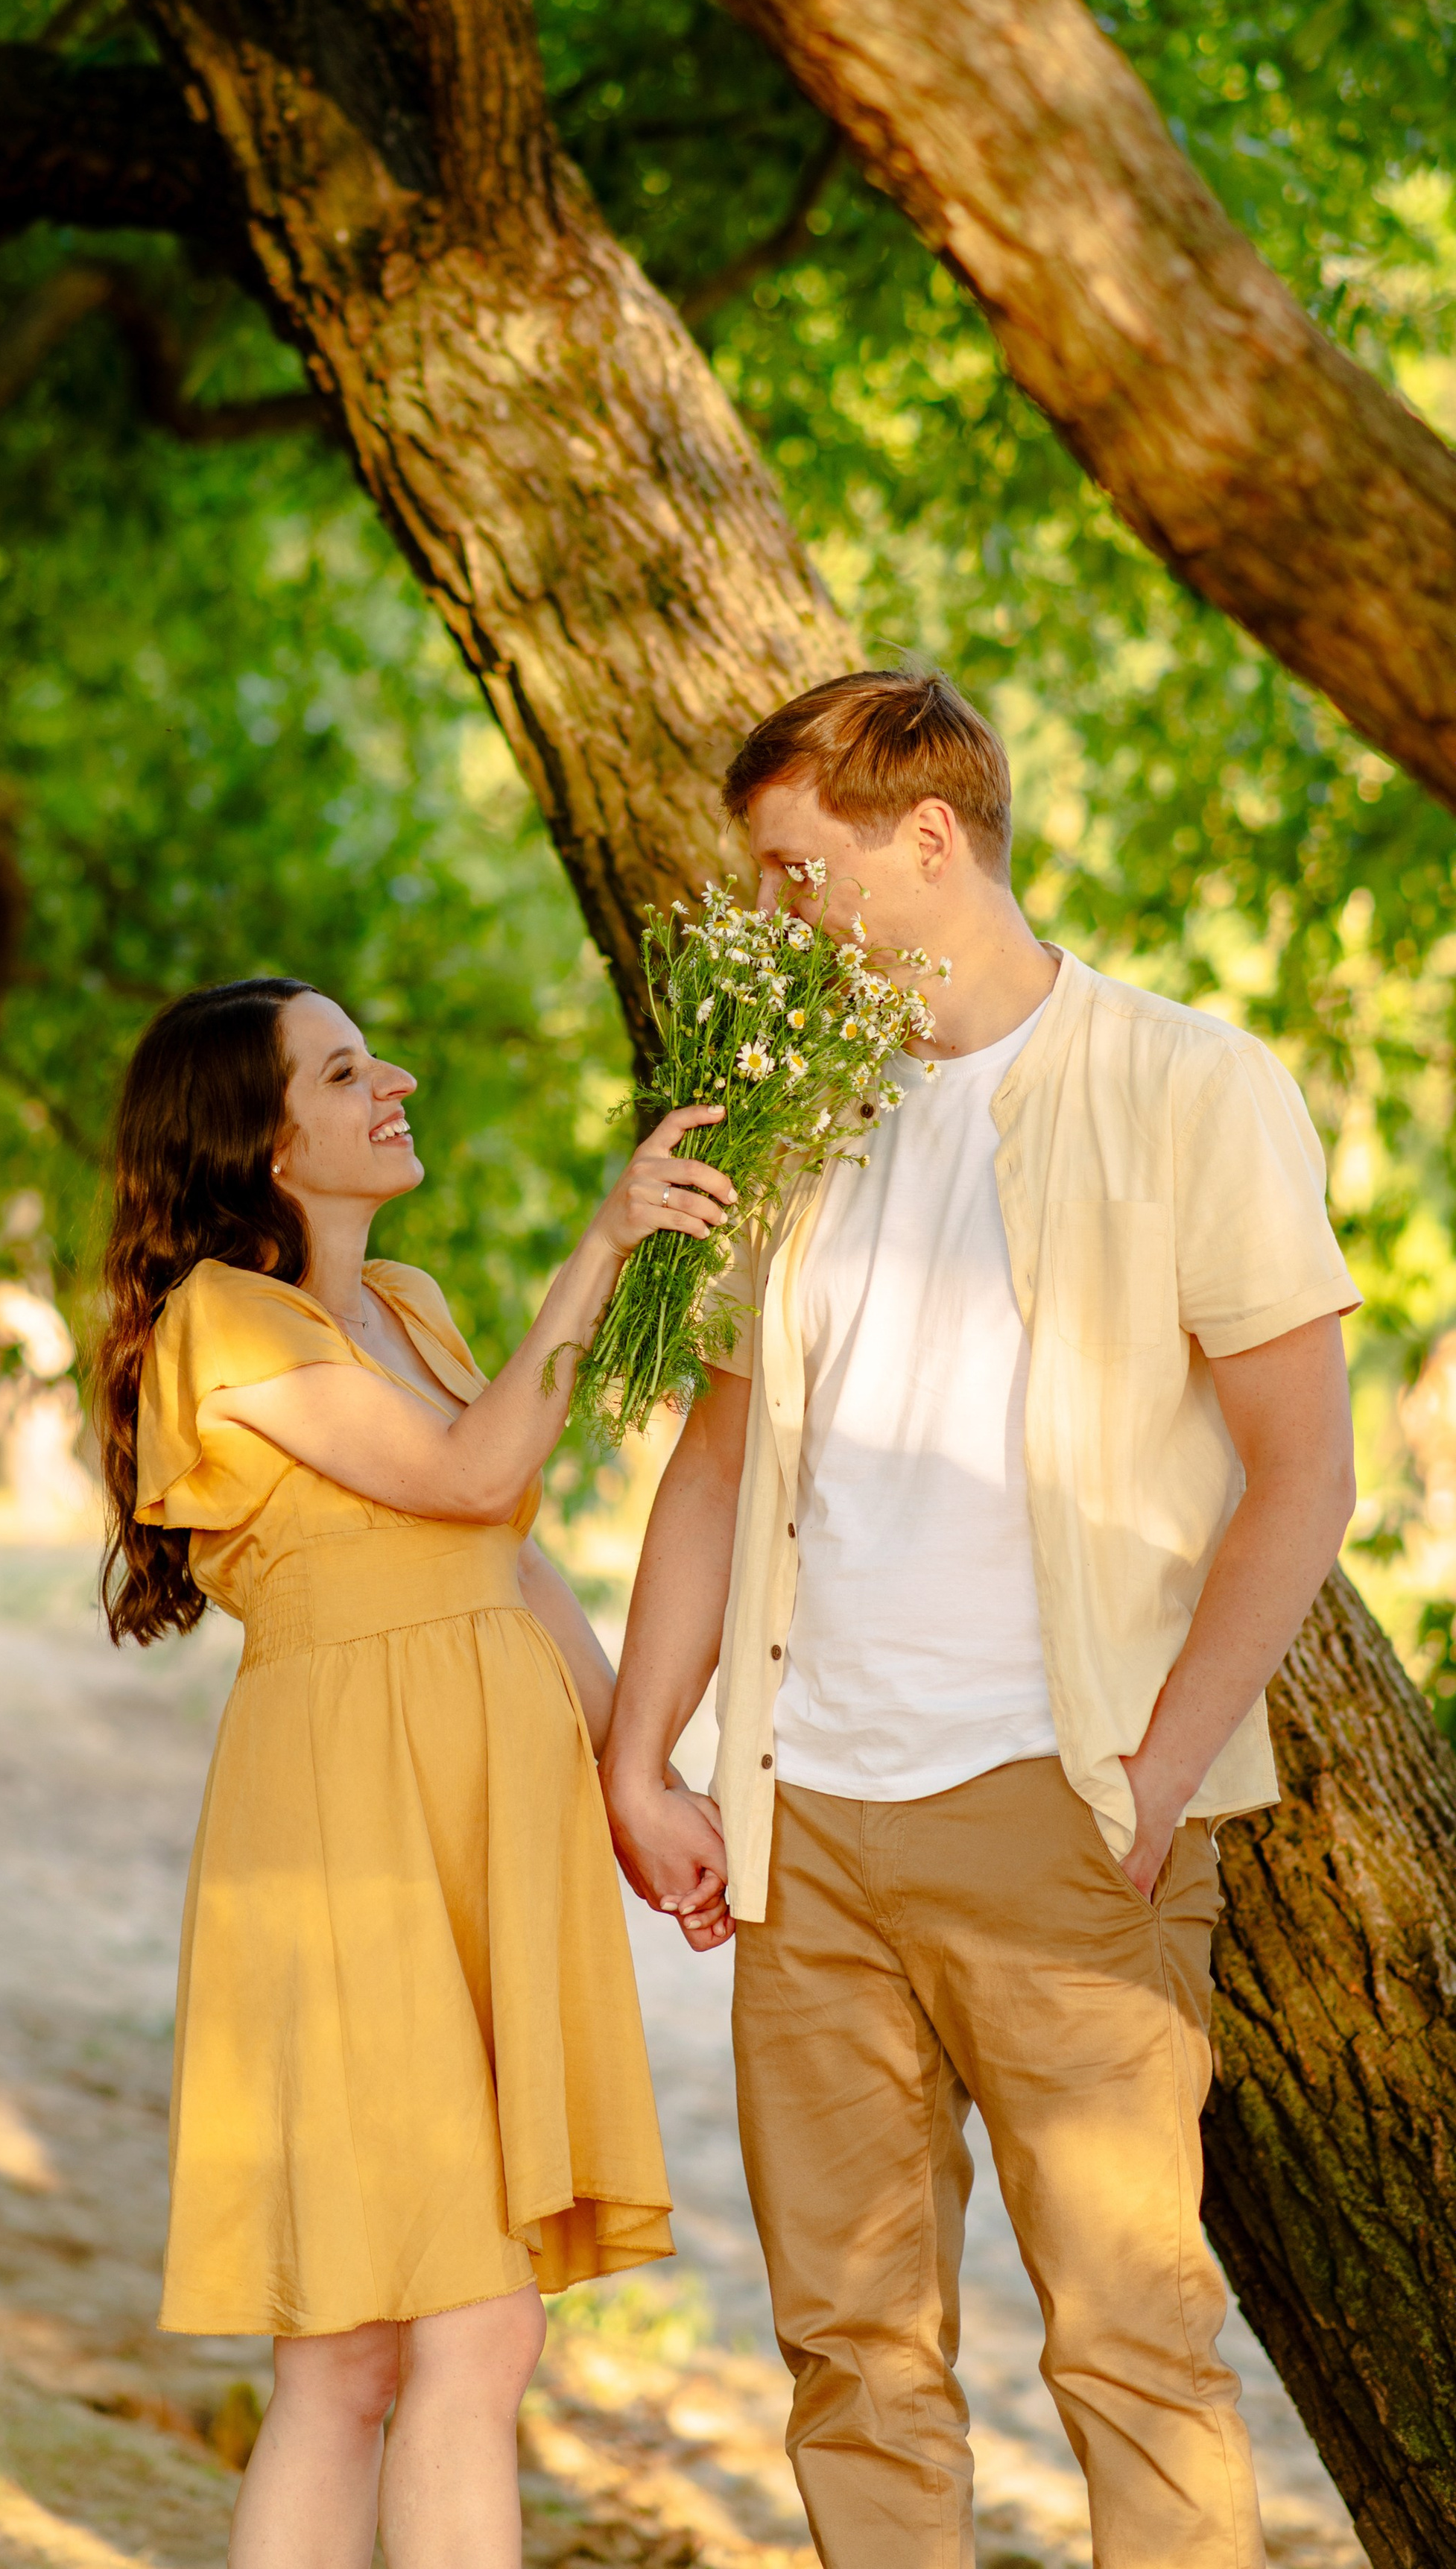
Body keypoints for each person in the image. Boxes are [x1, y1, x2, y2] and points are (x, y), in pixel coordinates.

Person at [603, 672, 1360, 2569]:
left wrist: (1154, 1768)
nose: (775, 917)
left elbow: (1301, 1476)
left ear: (924, 841)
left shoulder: (1189, 1086)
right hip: (812, 1841)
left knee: (1130, 2347)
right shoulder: (794, 1118)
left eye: (797, 872)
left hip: (1060, 1814)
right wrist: (643, 1749)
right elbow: (715, 1466)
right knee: (850, 2357)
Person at [92, 975, 733, 2569]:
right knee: (446, 2337)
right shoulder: (222, 1323)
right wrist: (602, 1246)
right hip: (349, 1834)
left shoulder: (422, 1306)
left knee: (367, 2351)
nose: (398, 1075)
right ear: (263, 1139)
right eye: (341, 1066)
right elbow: (471, 1468)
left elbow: (506, 1562)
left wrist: (628, 1774)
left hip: (473, 1818)